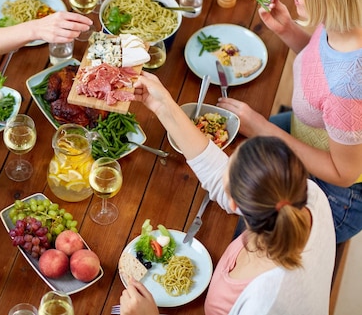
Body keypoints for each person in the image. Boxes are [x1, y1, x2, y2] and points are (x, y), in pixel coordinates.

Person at [123, 71, 335, 314]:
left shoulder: (263, 304)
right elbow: (217, 172)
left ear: (235, 203)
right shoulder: (309, 195)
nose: (225, 162)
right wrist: (162, 105)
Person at [218, 0, 362, 244]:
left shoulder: (347, 88)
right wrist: (287, 29)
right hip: (306, 131)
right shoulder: (343, 20)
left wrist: (262, 127)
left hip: (338, 192)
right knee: (226, 148)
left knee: (239, 233)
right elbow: (321, 64)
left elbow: (344, 172)